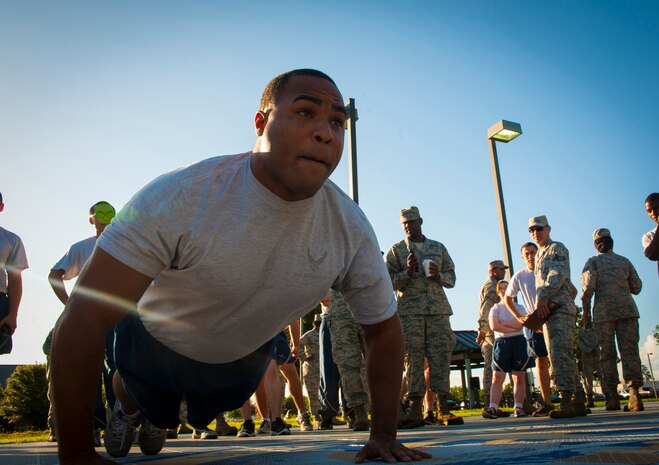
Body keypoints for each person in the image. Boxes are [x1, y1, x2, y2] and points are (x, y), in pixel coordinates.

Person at [50, 69, 429, 465]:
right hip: (151, 344)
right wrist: (75, 454)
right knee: (147, 400)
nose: (326, 133)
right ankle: (127, 409)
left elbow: (384, 331)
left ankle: (154, 414)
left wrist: (384, 435)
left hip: (237, 365)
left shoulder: (350, 228)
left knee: (194, 409)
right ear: (261, 122)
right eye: (305, 112)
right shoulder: (178, 196)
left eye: (336, 121)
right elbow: (83, 318)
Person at [45, 201, 117, 444]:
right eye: (101, 214)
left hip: (117, 317)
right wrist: (69, 304)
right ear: (92, 220)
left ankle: (118, 423)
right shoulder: (82, 248)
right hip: (88, 318)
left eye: (111, 213)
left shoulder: (125, 245)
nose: (106, 218)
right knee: (90, 372)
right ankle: (93, 427)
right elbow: (54, 274)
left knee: (117, 370)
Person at [385, 206, 462, 427]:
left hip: (438, 310)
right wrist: (407, 273)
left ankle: (443, 409)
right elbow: (388, 282)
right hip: (410, 313)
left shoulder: (438, 248)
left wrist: (439, 276)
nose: (409, 226)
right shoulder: (396, 251)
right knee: (413, 359)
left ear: (421, 221)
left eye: (412, 222)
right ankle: (415, 409)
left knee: (440, 357)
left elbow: (452, 277)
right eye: (404, 224)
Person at [581, 228, 644, 411]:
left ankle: (613, 398)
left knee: (606, 355)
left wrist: (586, 312)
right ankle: (634, 395)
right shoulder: (624, 261)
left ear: (596, 244)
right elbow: (637, 287)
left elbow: (588, 287)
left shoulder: (593, 262)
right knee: (630, 352)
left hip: (604, 314)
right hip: (628, 311)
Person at [528, 215, 583, 419]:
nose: (536, 232)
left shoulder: (557, 248)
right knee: (560, 353)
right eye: (532, 230)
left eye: (539, 228)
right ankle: (577, 399)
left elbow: (556, 276)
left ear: (548, 229)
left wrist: (542, 298)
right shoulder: (540, 254)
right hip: (549, 310)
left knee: (559, 353)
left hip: (558, 307)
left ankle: (567, 400)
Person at [503, 242, 554, 417]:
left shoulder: (548, 271)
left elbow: (572, 290)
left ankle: (571, 397)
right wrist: (519, 317)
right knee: (541, 361)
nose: (531, 256)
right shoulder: (519, 276)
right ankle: (547, 402)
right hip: (534, 322)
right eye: (527, 253)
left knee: (559, 358)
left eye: (533, 252)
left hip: (553, 318)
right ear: (522, 257)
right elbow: (507, 299)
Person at [482, 281, 533, 419]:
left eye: (507, 288)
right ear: (498, 292)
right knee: (497, 377)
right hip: (501, 343)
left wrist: (504, 323)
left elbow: (520, 326)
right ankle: (493, 407)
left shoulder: (519, 307)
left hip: (518, 342)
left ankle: (518, 407)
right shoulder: (495, 308)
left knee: (519, 377)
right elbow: (494, 326)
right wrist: (511, 325)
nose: (504, 291)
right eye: (502, 289)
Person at [328, 289, 370, 431]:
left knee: (379, 362)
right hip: (342, 315)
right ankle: (359, 412)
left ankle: (385, 409)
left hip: (369, 310)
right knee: (348, 366)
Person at [476, 260, 508, 416]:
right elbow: (486, 309)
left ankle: (493, 404)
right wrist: (482, 330)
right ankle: (490, 405)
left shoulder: (492, 284)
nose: (504, 272)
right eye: (502, 269)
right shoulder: (491, 286)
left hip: (492, 332)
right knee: (492, 368)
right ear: (494, 270)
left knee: (496, 368)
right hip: (491, 334)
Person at [0, 192, 29, 355]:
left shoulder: (10, 240)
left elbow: (15, 280)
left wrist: (12, 315)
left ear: (1, 207)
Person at [299, 314, 322, 419]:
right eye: (318, 323)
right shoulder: (309, 335)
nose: (319, 325)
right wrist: (304, 357)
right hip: (312, 368)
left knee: (326, 392)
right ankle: (316, 416)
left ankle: (329, 415)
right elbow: (296, 344)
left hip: (324, 368)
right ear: (315, 324)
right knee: (313, 392)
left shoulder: (327, 333)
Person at [642, 193, 659, 277]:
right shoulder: (649, 236)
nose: (654, 213)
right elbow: (652, 255)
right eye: (649, 211)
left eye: (657, 208)